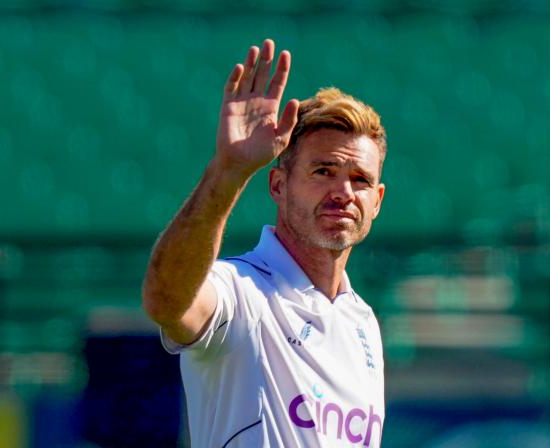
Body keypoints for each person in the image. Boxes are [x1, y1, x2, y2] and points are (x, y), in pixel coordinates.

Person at [142, 38, 387, 447]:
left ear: (376, 202)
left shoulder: (363, 323)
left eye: (360, 179)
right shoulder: (240, 291)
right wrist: (228, 171)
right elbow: (166, 300)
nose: (344, 191)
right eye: (323, 171)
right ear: (278, 185)